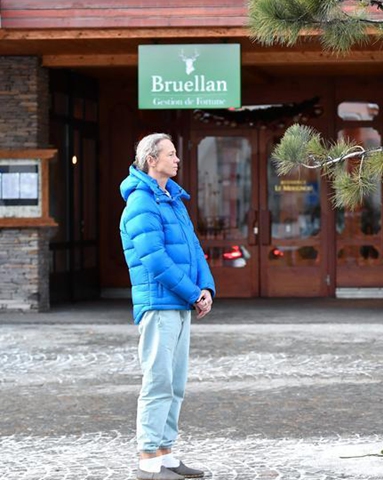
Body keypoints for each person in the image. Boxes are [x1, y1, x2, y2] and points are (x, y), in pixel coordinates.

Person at [120, 133, 215, 480]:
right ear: (151, 160)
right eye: (171, 154)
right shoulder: (140, 203)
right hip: (159, 305)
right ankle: (148, 460)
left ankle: (166, 452)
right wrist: (192, 293)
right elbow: (156, 261)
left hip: (180, 303)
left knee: (175, 383)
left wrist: (205, 288)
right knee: (158, 381)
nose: (177, 160)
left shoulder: (173, 200)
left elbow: (194, 248)